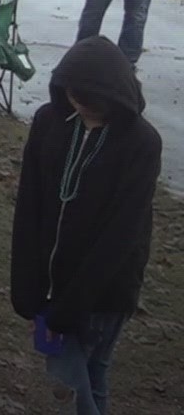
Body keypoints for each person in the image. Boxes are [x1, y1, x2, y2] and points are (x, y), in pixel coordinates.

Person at [10, 37, 161, 415]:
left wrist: (70, 307)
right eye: (76, 99)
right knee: (87, 379)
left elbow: (122, 232)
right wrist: (27, 286)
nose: (84, 109)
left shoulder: (141, 142)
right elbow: (29, 204)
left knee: (71, 381)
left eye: (95, 105)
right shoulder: (49, 121)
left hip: (103, 292)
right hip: (49, 284)